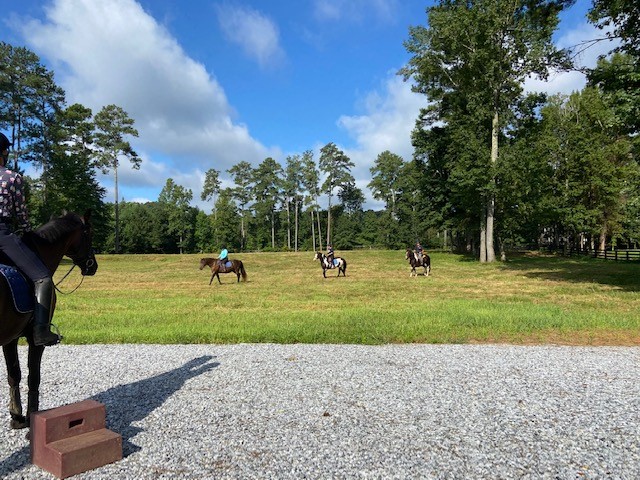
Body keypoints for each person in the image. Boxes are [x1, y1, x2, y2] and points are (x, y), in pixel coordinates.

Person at [0, 132, 60, 346]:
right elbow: (21, 214)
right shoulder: (12, 177)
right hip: (2, 234)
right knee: (43, 278)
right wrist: (27, 231)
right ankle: (41, 332)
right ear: (4, 152)